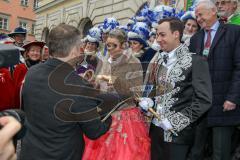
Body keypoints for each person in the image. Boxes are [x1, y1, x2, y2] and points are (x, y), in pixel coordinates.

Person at [19, 24, 116, 160]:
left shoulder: (32, 72)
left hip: (29, 152)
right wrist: (109, 108)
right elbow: (95, 131)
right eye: (79, 46)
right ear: (73, 51)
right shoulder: (80, 86)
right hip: (60, 155)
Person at [139, 17, 212, 160]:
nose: (158, 39)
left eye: (162, 35)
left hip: (178, 135)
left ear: (176, 34)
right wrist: (150, 101)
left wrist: (176, 121)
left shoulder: (196, 61)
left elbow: (204, 100)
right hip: (155, 130)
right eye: (157, 34)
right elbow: (158, 90)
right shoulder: (159, 59)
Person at [82, 29, 150, 160]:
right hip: (104, 114)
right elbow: (99, 85)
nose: (110, 48)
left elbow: (136, 92)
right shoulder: (106, 61)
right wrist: (92, 82)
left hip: (125, 117)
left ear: (124, 45)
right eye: (108, 45)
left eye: (114, 45)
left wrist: (111, 79)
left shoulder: (133, 62)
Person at [189, 0, 240, 160]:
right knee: (196, 152)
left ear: (213, 12)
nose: (198, 18)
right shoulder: (195, 39)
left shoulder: (234, 32)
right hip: (200, 106)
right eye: (196, 15)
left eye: (200, 14)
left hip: (224, 105)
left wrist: (232, 98)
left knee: (220, 153)